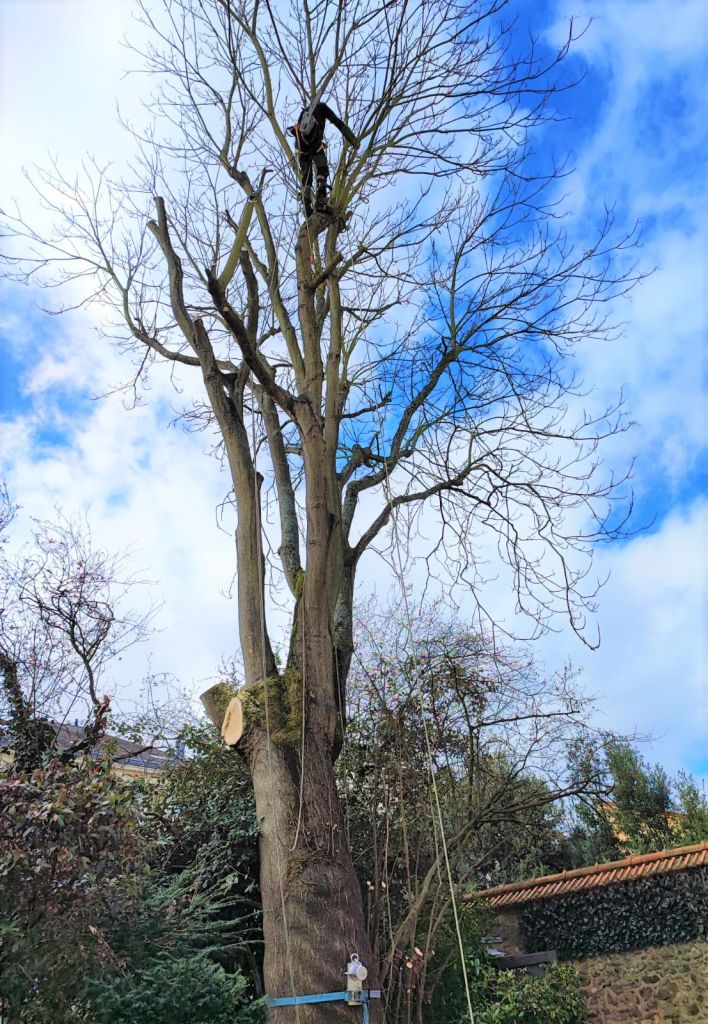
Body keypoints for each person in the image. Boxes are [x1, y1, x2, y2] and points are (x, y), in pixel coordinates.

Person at [288, 100, 359, 215]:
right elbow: (337, 122)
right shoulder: (323, 107)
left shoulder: (304, 113)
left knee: (306, 177)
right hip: (315, 146)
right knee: (322, 170)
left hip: (301, 148)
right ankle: (320, 201)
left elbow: (300, 132)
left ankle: (306, 206)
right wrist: (353, 139)